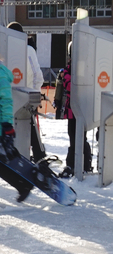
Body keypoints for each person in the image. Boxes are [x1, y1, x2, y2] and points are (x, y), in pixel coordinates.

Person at [7, 22, 46, 162]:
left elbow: (37, 76)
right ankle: (38, 157)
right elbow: (38, 76)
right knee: (28, 129)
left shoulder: (27, 50)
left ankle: (37, 157)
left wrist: (34, 96)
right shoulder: (26, 49)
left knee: (23, 129)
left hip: (15, 100)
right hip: (24, 100)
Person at [0, 60, 34, 202]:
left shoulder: (1, 74)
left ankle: (23, 183)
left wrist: (7, 125)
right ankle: (23, 184)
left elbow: (6, 101)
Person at [59, 42, 93, 178]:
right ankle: (84, 163)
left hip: (75, 109)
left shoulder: (74, 68)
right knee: (78, 137)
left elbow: (72, 86)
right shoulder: (82, 66)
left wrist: (64, 76)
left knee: (75, 137)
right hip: (78, 109)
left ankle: (74, 164)